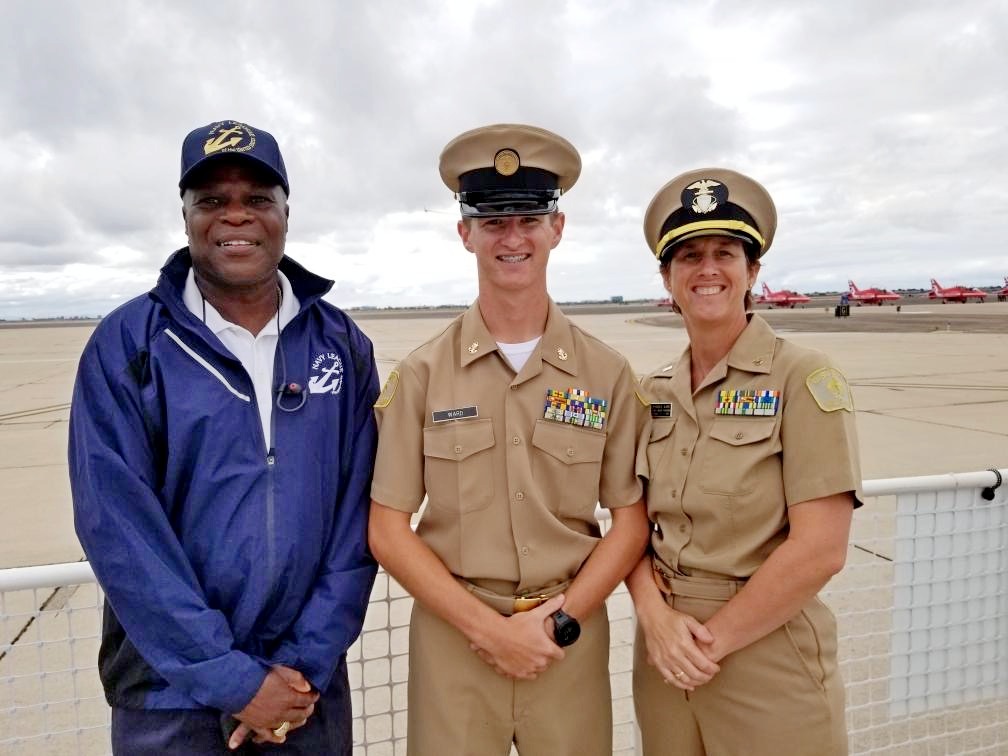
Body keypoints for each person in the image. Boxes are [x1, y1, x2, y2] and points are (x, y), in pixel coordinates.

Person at [68, 120, 379, 754]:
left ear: (286, 213)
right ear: (185, 216)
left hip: (304, 694)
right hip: (168, 697)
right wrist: (235, 681)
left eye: (257, 199)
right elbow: (120, 532)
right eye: (212, 201)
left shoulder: (342, 345)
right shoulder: (128, 345)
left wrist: (303, 667)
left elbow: (359, 518)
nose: (235, 216)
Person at [367, 124, 650, 755]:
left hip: (567, 637)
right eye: (493, 221)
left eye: (528, 217)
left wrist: (563, 616)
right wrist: (486, 630)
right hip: (455, 641)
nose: (512, 237)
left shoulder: (606, 374)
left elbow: (630, 521)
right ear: (464, 233)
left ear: (558, 228)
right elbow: (387, 528)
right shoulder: (421, 376)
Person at [627, 168, 862, 755]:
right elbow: (628, 524)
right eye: (688, 256)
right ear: (667, 277)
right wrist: (656, 621)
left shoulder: (802, 378)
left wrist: (708, 642)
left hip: (765, 647)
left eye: (725, 253)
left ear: (752, 272)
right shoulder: (650, 392)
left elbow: (821, 549)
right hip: (664, 652)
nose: (707, 269)